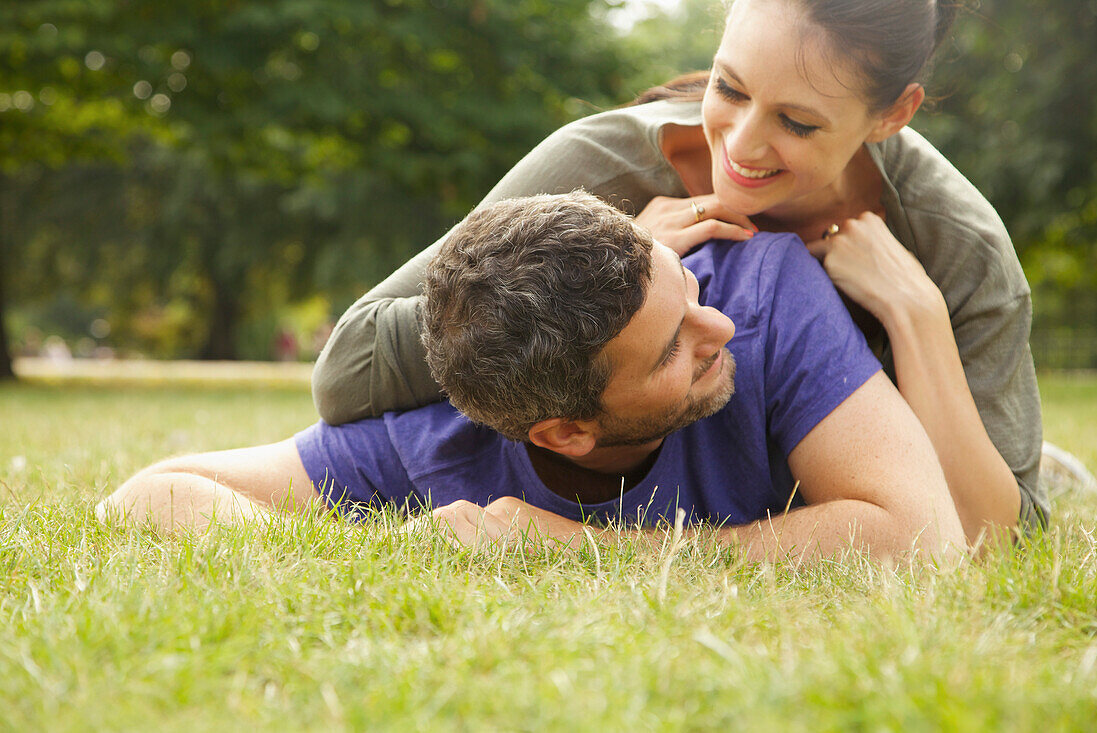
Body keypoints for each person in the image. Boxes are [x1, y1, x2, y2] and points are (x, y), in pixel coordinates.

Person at [311, 0, 1046, 546]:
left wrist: (915, 316)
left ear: (894, 114)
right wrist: (619, 249)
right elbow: (348, 367)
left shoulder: (957, 244)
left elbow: (994, 537)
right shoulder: (601, 167)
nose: (742, 145)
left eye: (798, 122)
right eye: (728, 88)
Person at [98, 192, 965, 563]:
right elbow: (149, 496)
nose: (719, 328)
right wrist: (408, 549)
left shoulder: (766, 289)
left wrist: (589, 551)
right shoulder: (436, 442)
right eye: (670, 348)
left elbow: (925, 535)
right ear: (562, 432)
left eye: (687, 288)